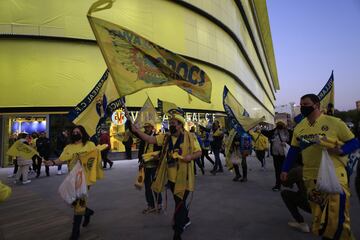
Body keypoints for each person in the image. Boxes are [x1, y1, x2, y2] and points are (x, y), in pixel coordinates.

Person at [281, 94, 359, 240]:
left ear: (316, 105)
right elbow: (293, 149)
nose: (302, 107)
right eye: (301, 104)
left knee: (337, 216)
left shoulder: (335, 122)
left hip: (335, 176)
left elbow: (354, 142)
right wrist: (285, 169)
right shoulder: (300, 127)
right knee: (320, 215)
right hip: (311, 177)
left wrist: (341, 150)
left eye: (306, 104)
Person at [131, 111, 202, 240]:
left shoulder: (191, 137)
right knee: (178, 201)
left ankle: (177, 231)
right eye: (170, 123)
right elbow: (150, 139)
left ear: (180, 125)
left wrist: (190, 157)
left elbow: (199, 152)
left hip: (184, 176)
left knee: (179, 201)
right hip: (171, 177)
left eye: (173, 123)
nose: (171, 125)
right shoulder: (166, 137)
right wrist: (137, 131)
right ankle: (185, 219)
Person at [44, 125, 103, 240]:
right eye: (74, 132)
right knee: (71, 200)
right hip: (72, 178)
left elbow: (95, 157)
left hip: (85, 179)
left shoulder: (89, 145)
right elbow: (61, 159)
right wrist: (51, 162)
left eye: (78, 131)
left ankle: (75, 232)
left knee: (78, 204)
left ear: (83, 133)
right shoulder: (68, 147)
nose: (76, 133)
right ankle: (87, 212)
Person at [136, 122, 162, 213]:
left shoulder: (157, 137)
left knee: (155, 185)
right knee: (147, 186)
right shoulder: (143, 138)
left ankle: (159, 204)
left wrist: (158, 157)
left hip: (155, 164)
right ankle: (150, 205)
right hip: (146, 165)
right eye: (145, 127)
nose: (146, 129)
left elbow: (161, 151)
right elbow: (141, 150)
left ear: (152, 127)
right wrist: (140, 161)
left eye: (148, 127)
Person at [281, 165, 311, 233]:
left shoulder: (298, 170)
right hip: (329, 206)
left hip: (310, 204)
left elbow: (285, 183)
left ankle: (301, 222)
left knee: (285, 194)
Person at [262, 120, 290, 191]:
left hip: (284, 154)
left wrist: (286, 143)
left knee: (284, 169)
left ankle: (286, 183)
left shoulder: (287, 132)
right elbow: (267, 133)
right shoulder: (274, 132)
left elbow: (292, 140)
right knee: (278, 170)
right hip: (276, 154)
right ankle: (278, 185)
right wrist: (261, 129)